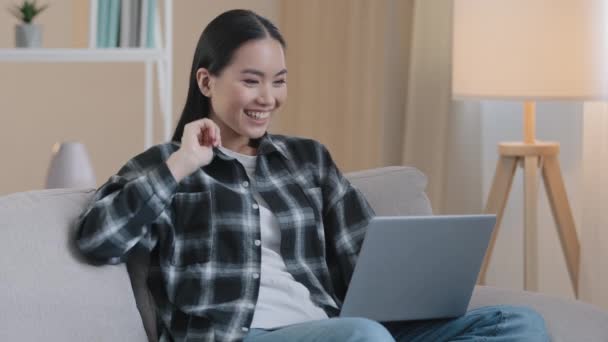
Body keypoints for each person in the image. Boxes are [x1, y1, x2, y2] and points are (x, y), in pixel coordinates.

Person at [75, 9, 549, 342]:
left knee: (518, 325)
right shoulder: (167, 165)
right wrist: (181, 164)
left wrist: (414, 281)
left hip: (336, 327)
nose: (268, 98)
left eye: (279, 81)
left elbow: (363, 254)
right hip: (240, 334)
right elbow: (99, 240)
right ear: (206, 81)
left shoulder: (307, 161)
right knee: (363, 336)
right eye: (251, 80)